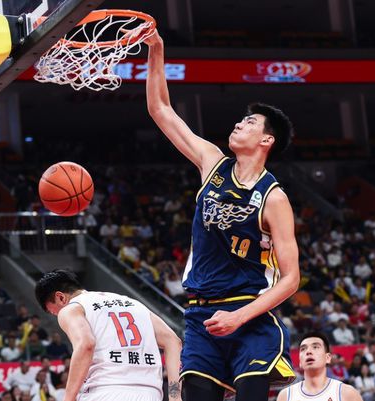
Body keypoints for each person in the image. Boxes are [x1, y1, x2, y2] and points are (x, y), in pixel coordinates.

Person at [144, 30, 300, 401]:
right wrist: (156, 49)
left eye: (250, 123)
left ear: (266, 140)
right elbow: (161, 110)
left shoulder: (273, 198)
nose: (238, 124)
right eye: (240, 120)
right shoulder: (212, 163)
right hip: (201, 317)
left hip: (248, 315)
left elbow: (291, 278)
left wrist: (239, 317)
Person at [35, 269, 182, 401]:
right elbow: (174, 342)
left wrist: (68, 398)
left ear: (61, 297)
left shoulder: (71, 308)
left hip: (105, 391)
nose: (57, 315)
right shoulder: (133, 304)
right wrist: (175, 396)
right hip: (150, 394)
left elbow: (86, 345)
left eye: (54, 312)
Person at [277, 332, 363, 401]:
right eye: (303, 349)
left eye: (315, 347)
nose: (308, 352)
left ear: (328, 358)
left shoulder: (347, 393)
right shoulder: (286, 396)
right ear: (300, 362)